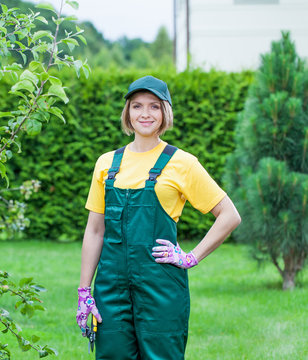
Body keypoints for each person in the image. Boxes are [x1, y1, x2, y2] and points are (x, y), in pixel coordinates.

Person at [76, 75, 242, 359]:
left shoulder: (182, 163)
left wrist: (191, 257)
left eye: (154, 106)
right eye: (137, 105)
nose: (145, 113)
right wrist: (84, 292)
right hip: (110, 287)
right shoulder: (106, 164)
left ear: (165, 112)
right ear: (127, 112)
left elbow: (229, 215)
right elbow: (95, 231)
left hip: (161, 287)